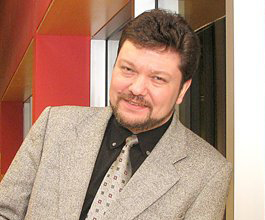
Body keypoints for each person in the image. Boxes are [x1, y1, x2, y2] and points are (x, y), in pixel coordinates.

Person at [0, 9, 232, 220]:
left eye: (157, 79)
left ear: (182, 90)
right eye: (128, 69)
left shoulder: (208, 173)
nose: (137, 89)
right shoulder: (55, 125)